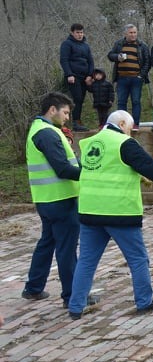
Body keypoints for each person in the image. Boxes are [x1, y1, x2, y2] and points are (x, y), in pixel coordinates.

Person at [68, 110, 153, 319]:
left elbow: (106, 171)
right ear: (122, 124)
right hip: (119, 211)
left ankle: (75, 306)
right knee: (138, 259)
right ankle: (144, 301)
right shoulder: (125, 144)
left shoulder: (89, 143)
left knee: (86, 261)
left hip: (89, 211)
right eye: (130, 128)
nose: (131, 133)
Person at [23, 92, 82, 306]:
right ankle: (72, 296)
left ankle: (33, 287)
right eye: (65, 112)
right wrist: (90, 173)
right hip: (60, 199)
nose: (67, 117)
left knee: (47, 242)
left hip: (46, 199)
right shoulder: (47, 133)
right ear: (52, 110)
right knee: (66, 248)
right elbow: (63, 168)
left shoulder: (39, 129)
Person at [108, 24, 150, 130]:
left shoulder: (142, 45)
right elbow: (110, 55)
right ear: (125, 33)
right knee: (121, 102)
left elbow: (147, 62)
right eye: (131, 33)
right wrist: (117, 57)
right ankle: (122, 124)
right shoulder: (119, 44)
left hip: (136, 78)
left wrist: (141, 75)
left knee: (136, 102)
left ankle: (135, 124)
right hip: (122, 78)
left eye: (134, 32)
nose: (133, 35)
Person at [59, 23, 94, 132]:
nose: (80, 35)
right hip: (73, 76)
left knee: (81, 99)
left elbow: (91, 61)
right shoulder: (67, 44)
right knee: (76, 98)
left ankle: (78, 121)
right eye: (77, 32)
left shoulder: (85, 46)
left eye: (81, 32)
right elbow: (64, 60)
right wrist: (69, 74)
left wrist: (90, 75)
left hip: (84, 76)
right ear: (72, 32)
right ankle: (75, 122)